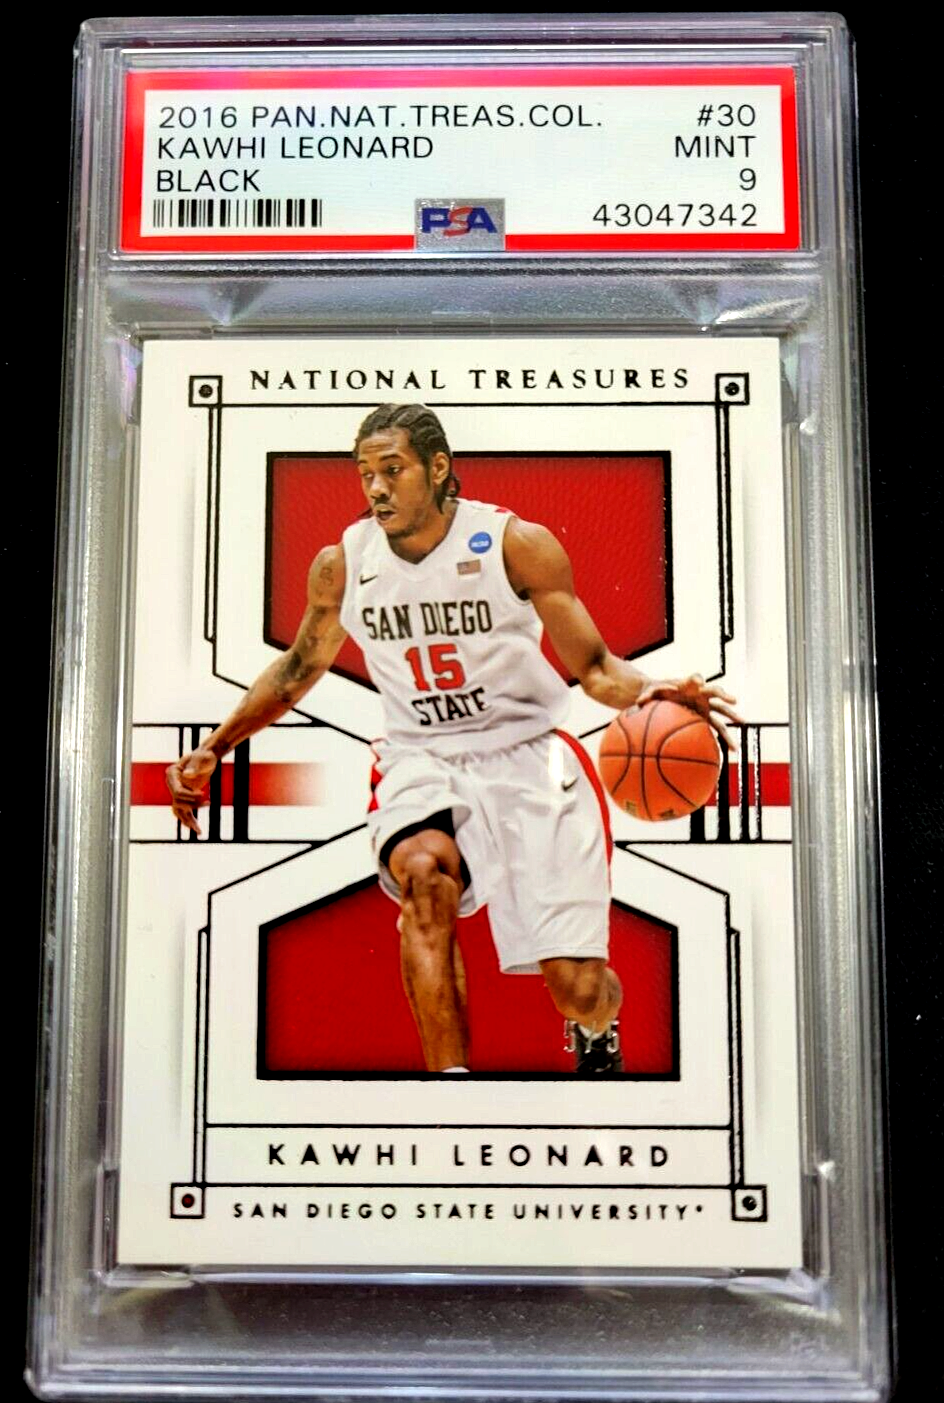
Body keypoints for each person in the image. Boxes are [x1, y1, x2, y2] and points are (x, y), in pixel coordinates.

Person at [167, 404, 739, 1076]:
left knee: (578, 989)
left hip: (529, 755)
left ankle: (596, 1027)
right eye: (365, 473)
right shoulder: (344, 564)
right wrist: (216, 745)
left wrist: (656, 690)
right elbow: (298, 667)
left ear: (438, 468)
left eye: (392, 470)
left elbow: (594, 668)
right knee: (422, 875)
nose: (376, 488)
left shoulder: (514, 545)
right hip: (422, 758)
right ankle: (448, 1089)